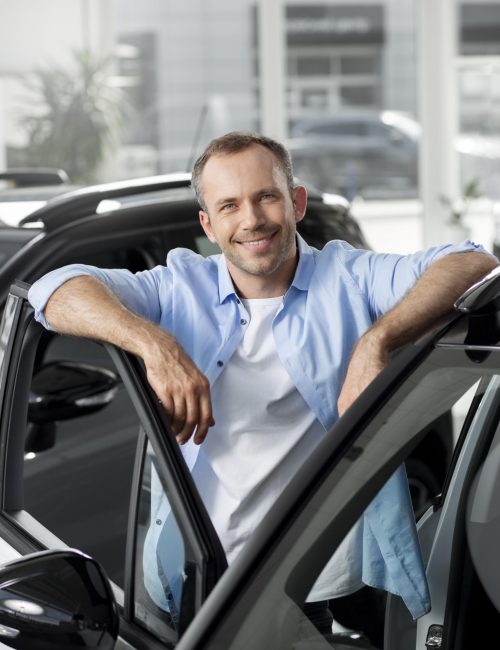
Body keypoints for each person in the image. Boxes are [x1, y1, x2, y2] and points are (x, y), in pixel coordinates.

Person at [28, 132, 497, 638]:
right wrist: (153, 345)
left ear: (295, 202)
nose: (250, 220)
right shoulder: (177, 287)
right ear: (208, 223)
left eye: (265, 197)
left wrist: (375, 342)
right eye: (229, 205)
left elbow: (474, 264)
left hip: (304, 575)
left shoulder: (348, 276)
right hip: (199, 569)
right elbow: (52, 288)